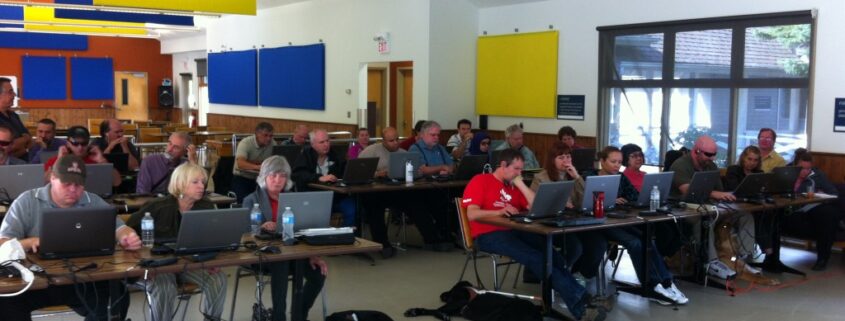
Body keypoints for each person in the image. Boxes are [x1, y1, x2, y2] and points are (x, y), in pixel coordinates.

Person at [462, 148, 606, 321]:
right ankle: (582, 305)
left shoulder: (514, 186)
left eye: (521, 169)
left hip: (515, 230)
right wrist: (499, 211)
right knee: (535, 258)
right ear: (502, 165)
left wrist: (521, 184)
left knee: (554, 257)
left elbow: (534, 207)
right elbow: (472, 214)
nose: (519, 173)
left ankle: (579, 300)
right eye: (516, 169)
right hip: (487, 235)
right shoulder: (481, 180)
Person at [0, 155, 141, 320]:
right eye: (66, 184)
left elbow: (120, 228)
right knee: (5, 301)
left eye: (78, 185)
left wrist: (127, 236)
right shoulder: (27, 201)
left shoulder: (93, 201)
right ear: (52, 178)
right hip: (36, 282)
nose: (73, 190)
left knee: (118, 295)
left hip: (83, 279)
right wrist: (30, 242)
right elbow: (3, 243)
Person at [126, 163, 228, 321]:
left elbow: (213, 238)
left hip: (190, 263)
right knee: (165, 286)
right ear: (180, 183)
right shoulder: (157, 207)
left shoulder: (206, 206)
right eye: (195, 182)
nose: (201, 186)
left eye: (203, 182)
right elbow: (127, 231)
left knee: (218, 279)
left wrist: (211, 259)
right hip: (161, 265)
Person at [242, 156, 328, 320]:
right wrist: (261, 227)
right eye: (273, 175)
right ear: (263, 177)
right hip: (263, 257)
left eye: (282, 176)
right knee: (281, 261)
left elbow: (302, 231)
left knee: (319, 273)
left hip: (295, 253)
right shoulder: (251, 200)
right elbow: (243, 233)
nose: (277, 180)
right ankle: (278, 316)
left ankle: (300, 313)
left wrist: (311, 255)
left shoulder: (294, 198)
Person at [669, 136, 748, 280]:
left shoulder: (710, 166)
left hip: (708, 205)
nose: (711, 158)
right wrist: (716, 194)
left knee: (744, 215)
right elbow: (687, 190)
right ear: (696, 151)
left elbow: (720, 190)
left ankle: (743, 256)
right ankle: (711, 262)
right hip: (683, 208)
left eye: (714, 155)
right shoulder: (680, 165)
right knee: (705, 219)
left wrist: (722, 196)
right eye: (708, 154)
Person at [781, 151, 842, 271]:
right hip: (789, 208)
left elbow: (834, 194)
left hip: (810, 209)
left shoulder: (817, 175)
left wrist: (819, 195)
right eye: (802, 168)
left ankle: (822, 259)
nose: (805, 172)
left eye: (808, 168)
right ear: (795, 165)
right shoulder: (785, 173)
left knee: (827, 214)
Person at [359, 127, 407, 257]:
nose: (396, 143)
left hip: (396, 190)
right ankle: (383, 244)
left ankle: (435, 239)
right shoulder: (370, 151)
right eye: (391, 141)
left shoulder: (403, 153)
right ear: (383, 141)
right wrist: (378, 174)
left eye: (397, 139)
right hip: (373, 192)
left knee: (417, 200)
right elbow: (359, 171)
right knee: (375, 207)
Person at [292, 129, 356, 227]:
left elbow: (345, 172)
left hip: (335, 196)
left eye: (327, 141)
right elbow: (298, 174)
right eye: (322, 142)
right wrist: (319, 178)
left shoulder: (336, 154)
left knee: (352, 207)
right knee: (321, 213)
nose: (326, 144)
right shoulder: (306, 154)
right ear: (313, 144)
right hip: (313, 198)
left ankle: (346, 236)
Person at [42, 126, 120, 187]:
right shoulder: (57, 160)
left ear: (89, 143)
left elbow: (117, 182)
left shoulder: (96, 159)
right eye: (75, 144)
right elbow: (44, 183)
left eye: (84, 143)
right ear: (68, 144)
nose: (80, 147)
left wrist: (102, 161)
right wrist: (59, 161)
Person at [233, 122, 278, 202]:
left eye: (271, 136)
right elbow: (240, 164)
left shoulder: (273, 144)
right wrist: (258, 167)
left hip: (260, 179)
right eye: (265, 135)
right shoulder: (245, 143)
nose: (268, 138)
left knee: (269, 199)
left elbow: (275, 162)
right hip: (242, 178)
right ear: (257, 134)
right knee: (246, 201)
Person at [0, 77, 30, 159]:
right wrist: (24, 143)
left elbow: (28, 138)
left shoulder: (14, 115)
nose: (14, 95)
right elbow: (9, 148)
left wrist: (22, 142)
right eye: (10, 92)